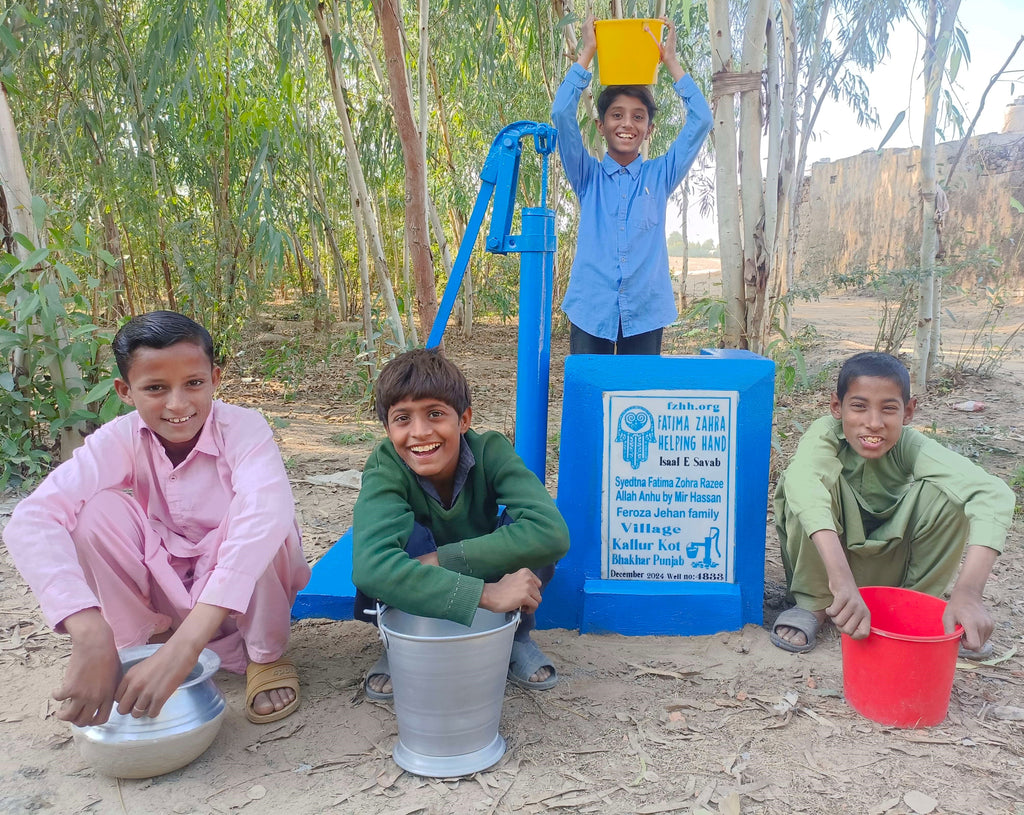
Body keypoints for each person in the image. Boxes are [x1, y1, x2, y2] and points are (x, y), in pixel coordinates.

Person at [3, 311, 310, 727]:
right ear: (125, 391)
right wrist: (91, 630)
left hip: (245, 597)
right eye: (155, 388)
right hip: (171, 591)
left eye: (194, 384)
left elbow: (267, 514)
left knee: (263, 520)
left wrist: (186, 647)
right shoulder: (120, 438)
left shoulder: (244, 429)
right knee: (93, 514)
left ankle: (264, 655)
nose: (178, 404)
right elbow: (33, 517)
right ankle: (150, 643)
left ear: (215, 379)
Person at [351, 348, 570, 700]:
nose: (420, 432)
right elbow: (371, 568)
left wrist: (444, 559)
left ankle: (513, 636)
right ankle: (403, 641)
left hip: (477, 563)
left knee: (528, 524)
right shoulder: (385, 466)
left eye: (435, 414)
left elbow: (552, 532)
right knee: (391, 540)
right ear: (388, 429)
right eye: (402, 418)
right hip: (431, 586)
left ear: (463, 420)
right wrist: (486, 595)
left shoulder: (491, 452)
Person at [771, 351, 1015, 656]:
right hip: (828, 569)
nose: (873, 423)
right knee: (800, 481)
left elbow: (992, 493)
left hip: (889, 572)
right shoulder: (824, 435)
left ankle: (913, 608)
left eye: (888, 409)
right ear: (837, 407)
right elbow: (804, 484)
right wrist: (841, 579)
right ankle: (813, 605)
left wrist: (968, 593)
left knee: (949, 494)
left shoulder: (911, 445)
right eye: (859, 407)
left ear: (909, 412)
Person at [551, 15, 712, 355]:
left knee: (638, 403)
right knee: (590, 401)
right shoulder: (587, 175)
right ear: (600, 124)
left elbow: (701, 119)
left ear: (649, 129)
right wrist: (588, 51)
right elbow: (562, 112)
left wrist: (670, 62)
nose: (627, 124)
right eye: (617, 115)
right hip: (590, 311)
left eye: (638, 116)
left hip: (644, 313)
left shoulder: (661, 174)